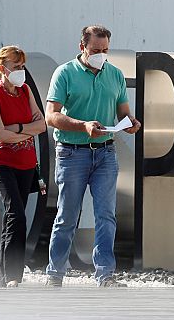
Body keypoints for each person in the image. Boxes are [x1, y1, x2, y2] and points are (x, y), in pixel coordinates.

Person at [44, 25, 141, 287]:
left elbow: (122, 113)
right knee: (67, 216)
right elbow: (51, 116)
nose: (101, 55)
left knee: (106, 215)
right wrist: (82, 125)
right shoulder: (64, 73)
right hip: (71, 153)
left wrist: (130, 122)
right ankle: (55, 274)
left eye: (105, 50)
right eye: (96, 50)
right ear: (82, 47)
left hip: (106, 153)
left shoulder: (115, 75)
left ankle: (105, 274)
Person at [0, 46, 47, 288]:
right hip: (1, 160)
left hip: (26, 161)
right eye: (16, 66)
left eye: (22, 66)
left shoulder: (25, 90)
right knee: (15, 214)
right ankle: (12, 276)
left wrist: (17, 130)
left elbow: (41, 125)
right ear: (2, 69)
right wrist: (24, 130)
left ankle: (6, 277)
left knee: (14, 218)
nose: (21, 71)